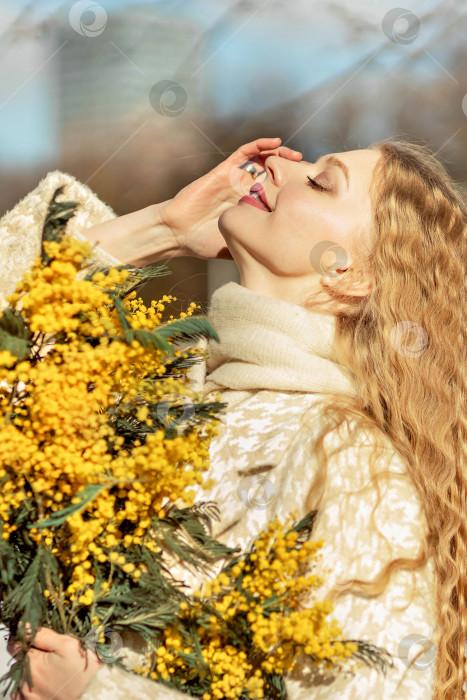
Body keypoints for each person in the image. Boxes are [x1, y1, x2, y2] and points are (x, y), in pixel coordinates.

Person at [2, 136, 466, 700]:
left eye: (321, 182)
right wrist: (163, 230)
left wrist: (101, 694)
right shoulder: (165, 387)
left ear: (350, 275)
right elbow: (15, 335)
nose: (278, 164)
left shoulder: (349, 458)